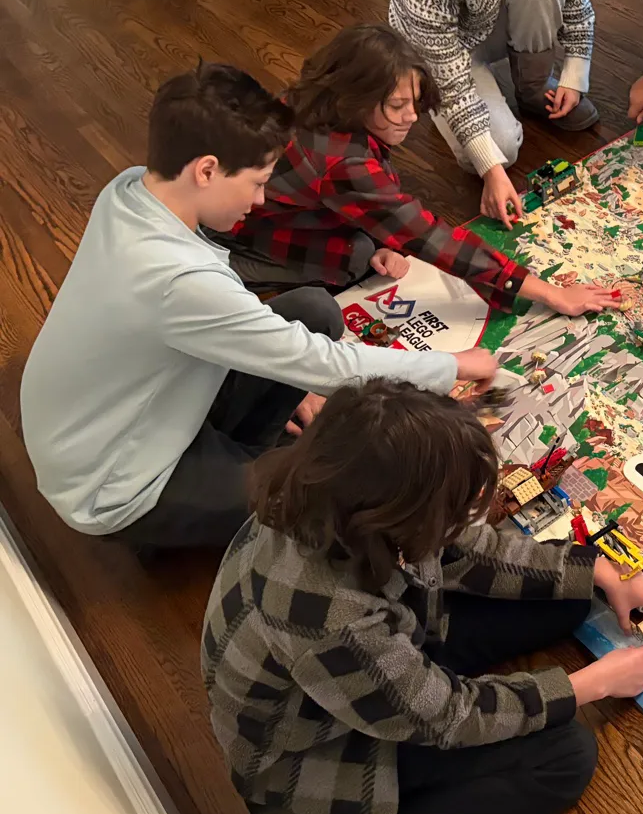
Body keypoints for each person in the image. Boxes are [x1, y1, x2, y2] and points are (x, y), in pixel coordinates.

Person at [19, 63, 497, 552]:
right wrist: (451, 364)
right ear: (206, 170)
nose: (262, 198)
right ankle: (235, 478)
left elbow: (264, 336)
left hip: (114, 418)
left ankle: (251, 455)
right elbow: (321, 362)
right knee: (329, 496)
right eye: (256, 182)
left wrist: (297, 382)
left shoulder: (130, 187)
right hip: (114, 484)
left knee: (315, 309)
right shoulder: (178, 281)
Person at [202, 379, 643, 814]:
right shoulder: (329, 616)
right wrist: (591, 685)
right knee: (568, 754)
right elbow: (450, 716)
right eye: (447, 509)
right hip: (328, 754)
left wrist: (598, 569)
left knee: (567, 597)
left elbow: (458, 549)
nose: (460, 521)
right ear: (398, 513)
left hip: (368, 666)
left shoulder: (337, 495)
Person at [219, 24, 617, 318]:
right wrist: (549, 292)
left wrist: (380, 234)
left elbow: (373, 202)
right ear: (354, 96)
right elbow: (429, 236)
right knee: (355, 257)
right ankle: (238, 267)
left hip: (282, 207)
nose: (411, 117)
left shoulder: (314, 101)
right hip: (243, 236)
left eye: (414, 103)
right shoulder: (343, 162)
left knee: (370, 245)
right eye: (396, 107)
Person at [389, 0, 599, 231]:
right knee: (501, 148)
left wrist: (574, 73)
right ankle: (450, 99)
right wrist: (491, 170)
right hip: (444, 56)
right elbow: (452, 83)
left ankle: (533, 88)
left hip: (486, 19)